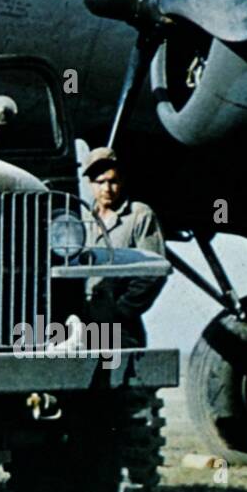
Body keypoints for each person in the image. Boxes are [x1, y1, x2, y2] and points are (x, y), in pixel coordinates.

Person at [82, 147, 166, 348]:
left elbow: (154, 272)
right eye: (100, 182)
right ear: (90, 184)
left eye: (113, 181)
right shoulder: (82, 218)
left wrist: (120, 311)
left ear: (122, 180)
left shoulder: (139, 215)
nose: (107, 189)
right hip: (83, 325)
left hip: (122, 329)